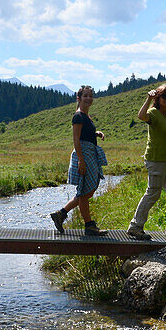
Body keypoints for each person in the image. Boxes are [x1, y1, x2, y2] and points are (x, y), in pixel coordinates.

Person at [127, 85, 166, 240]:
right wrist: (148, 98)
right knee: (153, 192)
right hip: (155, 159)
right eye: (164, 96)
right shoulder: (153, 112)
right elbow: (141, 116)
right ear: (158, 98)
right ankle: (135, 227)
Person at [49, 85, 108, 236]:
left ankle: (61, 214)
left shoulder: (86, 116)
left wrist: (96, 133)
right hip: (84, 156)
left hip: (89, 155)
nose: (88, 98)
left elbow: (84, 134)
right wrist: (81, 161)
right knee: (84, 192)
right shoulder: (78, 116)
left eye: (90, 96)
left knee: (87, 190)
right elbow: (76, 139)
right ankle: (89, 226)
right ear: (79, 98)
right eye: (85, 96)